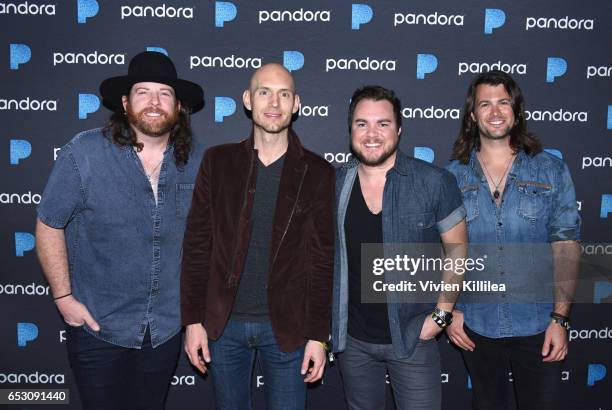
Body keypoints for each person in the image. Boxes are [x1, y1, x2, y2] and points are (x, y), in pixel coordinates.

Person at [35, 51, 205, 410]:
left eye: (165, 94)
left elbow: (202, 245)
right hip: (99, 328)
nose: (155, 103)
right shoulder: (85, 153)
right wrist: (64, 299)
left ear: (179, 107)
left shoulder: (196, 162)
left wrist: (194, 317)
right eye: (143, 92)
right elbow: (49, 223)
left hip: (165, 329)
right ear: (126, 102)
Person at [180, 63, 334, 410]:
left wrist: (317, 336)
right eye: (265, 92)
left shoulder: (318, 172)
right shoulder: (217, 162)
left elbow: (322, 261)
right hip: (223, 325)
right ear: (248, 100)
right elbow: (197, 245)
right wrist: (192, 321)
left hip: (288, 330)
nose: (274, 102)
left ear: (296, 104)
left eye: (284, 94)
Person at [445, 70, 581, 410]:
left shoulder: (550, 169)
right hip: (476, 324)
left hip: (538, 323)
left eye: (503, 102)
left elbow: (565, 245)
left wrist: (560, 318)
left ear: (516, 110)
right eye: (485, 104)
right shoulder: (452, 177)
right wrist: (452, 310)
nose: (495, 112)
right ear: (473, 115)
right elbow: (445, 250)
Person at [331, 85, 468, 410]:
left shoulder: (433, 181)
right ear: (350, 129)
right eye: (362, 123)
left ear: (400, 128)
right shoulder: (334, 183)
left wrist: (442, 314)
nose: (371, 134)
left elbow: (458, 250)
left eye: (383, 124)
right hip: (353, 343)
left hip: (412, 337)